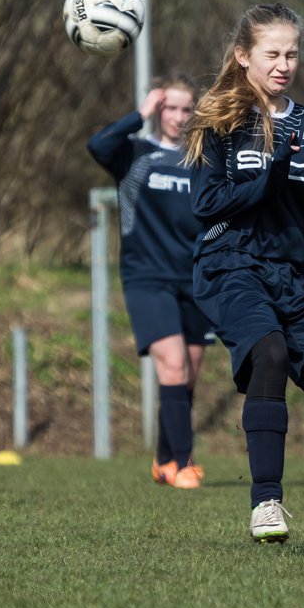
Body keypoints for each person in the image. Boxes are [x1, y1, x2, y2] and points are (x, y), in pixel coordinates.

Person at [184, 2, 304, 557]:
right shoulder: (218, 119)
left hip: (292, 272)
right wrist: (267, 175)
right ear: (244, 56)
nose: (284, 63)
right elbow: (206, 202)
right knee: (267, 353)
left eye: (292, 53)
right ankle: (266, 500)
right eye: (272, 53)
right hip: (230, 264)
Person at [87, 75, 213, 489]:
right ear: (158, 110)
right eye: (169, 108)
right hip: (147, 278)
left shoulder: (202, 160)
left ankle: (162, 459)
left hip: (194, 279)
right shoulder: (135, 154)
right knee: (172, 365)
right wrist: (137, 116)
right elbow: (98, 145)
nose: (178, 116)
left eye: (185, 109)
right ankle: (182, 462)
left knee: (189, 372)